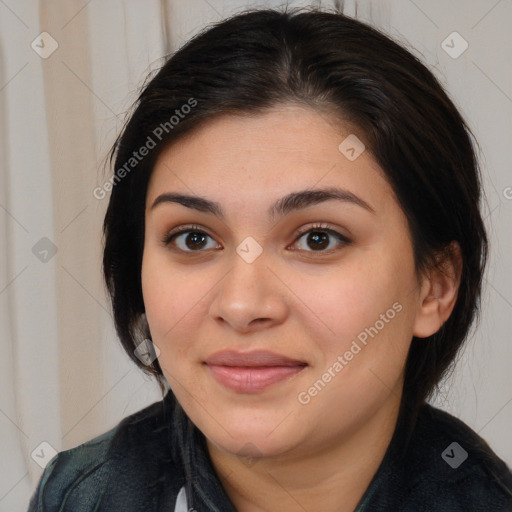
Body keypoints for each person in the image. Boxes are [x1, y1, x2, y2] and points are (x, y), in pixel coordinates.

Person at [28, 7, 512, 512]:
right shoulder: (80, 497)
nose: (241, 305)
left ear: (434, 285)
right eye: (194, 239)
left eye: (318, 239)